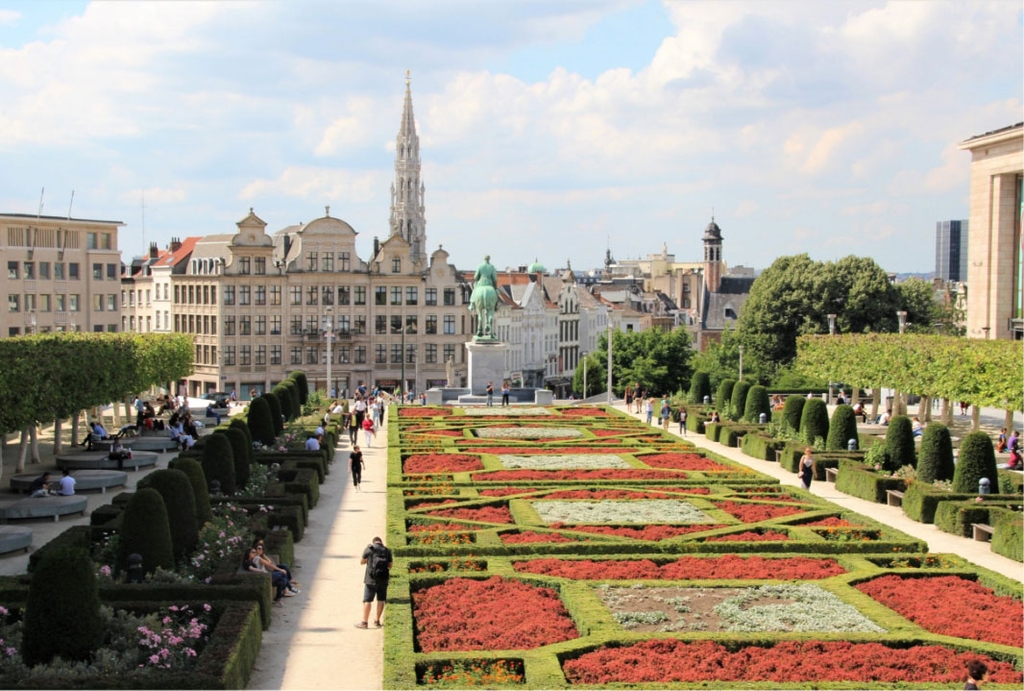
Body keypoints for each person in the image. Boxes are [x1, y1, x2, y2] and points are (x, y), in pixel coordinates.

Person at [357, 536, 393, 629]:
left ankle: (364, 622)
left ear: (373, 542)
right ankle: (377, 621)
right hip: (383, 579)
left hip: (370, 579)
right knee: (381, 600)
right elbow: (390, 565)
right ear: (381, 542)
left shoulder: (369, 549)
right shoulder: (387, 550)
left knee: (367, 600)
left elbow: (362, 562)